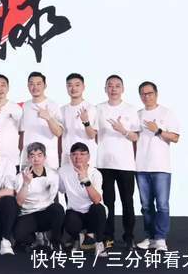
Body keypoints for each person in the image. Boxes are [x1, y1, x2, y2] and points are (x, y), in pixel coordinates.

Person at [135, 81, 180, 252]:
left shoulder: (166, 113)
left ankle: (161, 238)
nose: (146, 96)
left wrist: (158, 130)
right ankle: (151, 237)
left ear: (156, 94)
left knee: (162, 204)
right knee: (146, 205)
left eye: (150, 93)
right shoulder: (137, 114)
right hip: (141, 166)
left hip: (161, 166)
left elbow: (175, 137)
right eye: (143, 94)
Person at [96, 74, 139, 249]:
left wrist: (123, 130)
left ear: (123, 89)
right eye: (110, 85)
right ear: (105, 89)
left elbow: (136, 136)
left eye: (117, 86)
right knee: (108, 202)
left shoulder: (130, 109)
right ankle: (108, 237)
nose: (113, 89)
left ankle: (129, 237)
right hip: (104, 163)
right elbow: (93, 134)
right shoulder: (98, 109)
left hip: (125, 164)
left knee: (127, 201)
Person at [58, 142, 107, 257]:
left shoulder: (95, 173)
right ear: (70, 157)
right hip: (75, 212)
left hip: (92, 213)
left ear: (88, 157)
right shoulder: (63, 171)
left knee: (99, 209)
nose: (78, 157)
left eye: (82, 154)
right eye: (74, 154)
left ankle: (99, 243)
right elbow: (61, 189)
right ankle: (77, 240)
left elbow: (96, 200)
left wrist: (85, 180)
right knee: (68, 220)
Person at [14, 142, 64, 251]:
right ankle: (37, 238)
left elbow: (62, 191)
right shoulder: (20, 177)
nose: (36, 159)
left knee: (58, 209)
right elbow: (19, 202)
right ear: (28, 158)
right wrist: (26, 183)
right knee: (18, 235)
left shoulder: (53, 174)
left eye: (39, 155)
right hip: (28, 214)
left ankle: (55, 242)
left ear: (44, 157)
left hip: (46, 213)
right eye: (32, 156)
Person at [19, 72, 63, 170]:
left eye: (38, 84)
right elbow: (22, 133)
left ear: (45, 86)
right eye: (31, 84)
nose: (35, 87)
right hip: (28, 159)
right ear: (28, 86)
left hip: (49, 160)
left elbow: (59, 132)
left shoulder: (52, 105)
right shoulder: (25, 106)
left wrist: (48, 118)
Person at [0, 74, 23, 170]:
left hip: (12, 158)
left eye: (3, 85)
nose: (0, 88)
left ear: (8, 88)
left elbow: (22, 131)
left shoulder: (16, 108)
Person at [61, 73, 99, 167]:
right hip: (67, 156)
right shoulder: (62, 110)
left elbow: (92, 135)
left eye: (77, 85)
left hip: (86, 157)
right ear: (66, 87)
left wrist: (86, 122)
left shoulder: (91, 108)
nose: (73, 88)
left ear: (83, 87)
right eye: (70, 85)